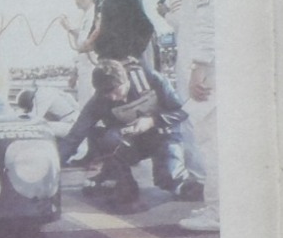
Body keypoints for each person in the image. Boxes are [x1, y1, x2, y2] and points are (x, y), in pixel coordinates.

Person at [59, 59, 200, 213]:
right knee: (108, 138)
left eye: (115, 90)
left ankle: (182, 181)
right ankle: (115, 176)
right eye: (106, 93)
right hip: (132, 142)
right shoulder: (99, 100)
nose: (112, 97)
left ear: (126, 80)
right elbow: (76, 134)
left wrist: (153, 120)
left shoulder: (151, 79)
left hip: (163, 135)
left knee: (169, 179)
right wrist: (54, 166)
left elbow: (182, 111)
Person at [157, 0, 218, 232]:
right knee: (209, 138)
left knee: (212, 138)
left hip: (208, 69)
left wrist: (201, 66)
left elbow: (208, 20)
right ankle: (216, 205)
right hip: (204, 65)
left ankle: (220, 211)